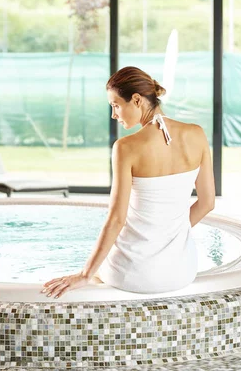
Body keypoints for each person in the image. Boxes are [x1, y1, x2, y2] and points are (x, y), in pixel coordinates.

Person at [42, 66, 215, 298]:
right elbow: (207, 203)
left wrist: (84, 274)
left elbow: (116, 219)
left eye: (115, 105)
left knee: (93, 275)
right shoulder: (197, 134)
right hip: (182, 271)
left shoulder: (125, 148)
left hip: (135, 274)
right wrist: (167, 234)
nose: (114, 115)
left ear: (136, 100)